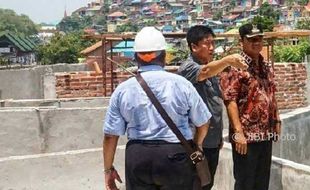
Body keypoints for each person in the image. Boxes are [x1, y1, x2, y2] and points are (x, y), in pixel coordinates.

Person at [103, 26, 212, 190]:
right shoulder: (181, 84)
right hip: (176, 156)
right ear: (164, 56)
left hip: (138, 157)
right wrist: (196, 145)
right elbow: (203, 122)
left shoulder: (123, 90)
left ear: (136, 57)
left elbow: (110, 136)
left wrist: (108, 169)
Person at [178, 25, 248, 190]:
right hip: (196, 144)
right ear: (194, 46)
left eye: (212, 43)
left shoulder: (213, 69)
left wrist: (217, 139)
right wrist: (228, 60)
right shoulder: (188, 67)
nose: (211, 48)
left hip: (212, 143)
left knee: (207, 185)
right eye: (207, 43)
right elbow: (204, 72)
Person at [220, 23, 281, 190]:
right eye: (252, 39)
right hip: (245, 137)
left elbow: (271, 93)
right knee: (245, 182)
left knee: (262, 181)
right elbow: (230, 100)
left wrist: (277, 120)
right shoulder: (234, 66)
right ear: (242, 41)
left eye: (259, 38)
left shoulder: (265, 65)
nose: (257, 42)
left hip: (265, 134)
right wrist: (238, 133)